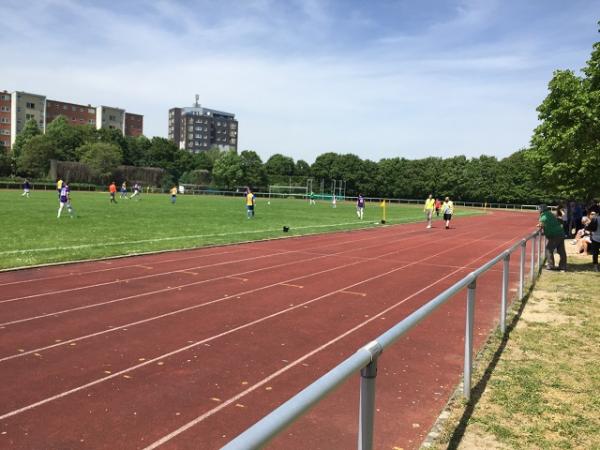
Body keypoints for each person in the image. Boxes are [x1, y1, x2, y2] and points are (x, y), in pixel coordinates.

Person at [538, 204, 567, 271]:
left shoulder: (544, 216)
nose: (538, 210)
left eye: (539, 208)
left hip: (555, 235)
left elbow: (542, 222)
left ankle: (551, 265)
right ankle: (563, 266)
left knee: (548, 249)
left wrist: (540, 224)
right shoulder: (549, 213)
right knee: (561, 250)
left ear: (541, 209)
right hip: (560, 233)